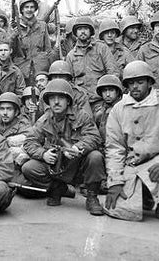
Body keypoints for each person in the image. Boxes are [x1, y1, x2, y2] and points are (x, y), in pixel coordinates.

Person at [105, 61, 159, 221]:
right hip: (132, 164)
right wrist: (115, 181)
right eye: (131, 83)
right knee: (118, 210)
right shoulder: (118, 109)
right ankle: (146, 197)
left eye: (140, 82)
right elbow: (114, 147)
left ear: (150, 82)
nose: (135, 86)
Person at [21, 79, 105, 216]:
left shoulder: (82, 116)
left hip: (79, 166)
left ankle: (92, 196)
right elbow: (29, 141)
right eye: (52, 98)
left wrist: (79, 147)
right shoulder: (44, 120)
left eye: (60, 97)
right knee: (29, 168)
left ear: (68, 100)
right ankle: (58, 188)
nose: (56, 102)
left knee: (95, 156)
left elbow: (94, 137)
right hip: (57, 166)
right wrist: (43, 154)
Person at [65, 16, 119, 105]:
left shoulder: (102, 48)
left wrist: (108, 93)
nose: (82, 31)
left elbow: (113, 72)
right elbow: (68, 81)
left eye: (85, 28)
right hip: (81, 101)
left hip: (102, 99)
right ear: (75, 33)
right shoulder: (71, 55)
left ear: (91, 31)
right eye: (79, 29)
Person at [11, 0, 54, 85]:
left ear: (35, 9)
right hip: (22, 69)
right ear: (22, 10)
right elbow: (11, 51)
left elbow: (48, 49)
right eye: (26, 7)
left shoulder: (42, 25)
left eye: (32, 7)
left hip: (40, 69)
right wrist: (13, 36)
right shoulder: (15, 27)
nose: (29, 10)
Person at [0, 92, 31, 160]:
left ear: (16, 112)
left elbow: (29, 143)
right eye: (2, 109)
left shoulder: (23, 125)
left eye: (9, 109)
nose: (5, 113)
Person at [93, 74, 123, 141]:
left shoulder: (124, 109)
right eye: (104, 91)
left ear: (117, 92)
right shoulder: (99, 112)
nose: (107, 94)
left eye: (111, 90)